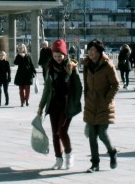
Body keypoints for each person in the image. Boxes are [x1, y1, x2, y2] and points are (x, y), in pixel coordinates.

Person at [37, 38, 83, 171]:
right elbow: (47, 89)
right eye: (55, 56)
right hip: (53, 104)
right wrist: (41, 106)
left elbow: (78, 88)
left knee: (62, 131)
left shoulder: (71, 67)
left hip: (66, 104)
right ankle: (58, 159)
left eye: (60, 56)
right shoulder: (50, 67)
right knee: (55, 134)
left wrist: (75, 101)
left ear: (65, 54)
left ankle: (69, 155)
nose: (58, 58)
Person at [81, 40, 119, 173]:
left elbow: (116, 85)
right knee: (92, 136)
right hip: (91, 103)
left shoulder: (108, 66)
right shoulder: (86, 64)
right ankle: (95, 164)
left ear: (99, 51)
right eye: (89, 50)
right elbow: (86, 84)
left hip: (104, 104)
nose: (90, 53)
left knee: (102, 133)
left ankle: (112, 152)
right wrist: (85, 98)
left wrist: (107, 98)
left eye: (93, 50)